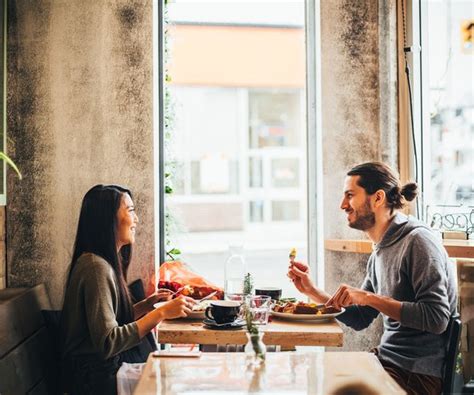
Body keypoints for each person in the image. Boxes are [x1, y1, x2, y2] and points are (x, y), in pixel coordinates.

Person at [288, 162, 457, 395]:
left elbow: (437, 318)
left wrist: (369, 297)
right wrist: (313, 291)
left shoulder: (418, 242)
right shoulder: (381, 248)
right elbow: (360, 318)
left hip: (416, 375)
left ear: (378, 198)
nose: (342, 205)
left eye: (350, 195)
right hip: (386, 361)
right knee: (310, 380)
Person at [60, 184, 195, 394]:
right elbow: (108, 342)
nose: (137, 219)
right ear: (108, 219)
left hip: (101, 371)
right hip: (95, 379)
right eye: (130, 210)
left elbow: (105, 323)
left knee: (178, 372)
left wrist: (146, 305)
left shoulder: (100, 263)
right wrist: (161, 313)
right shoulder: (95, 268)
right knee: (178, 380)